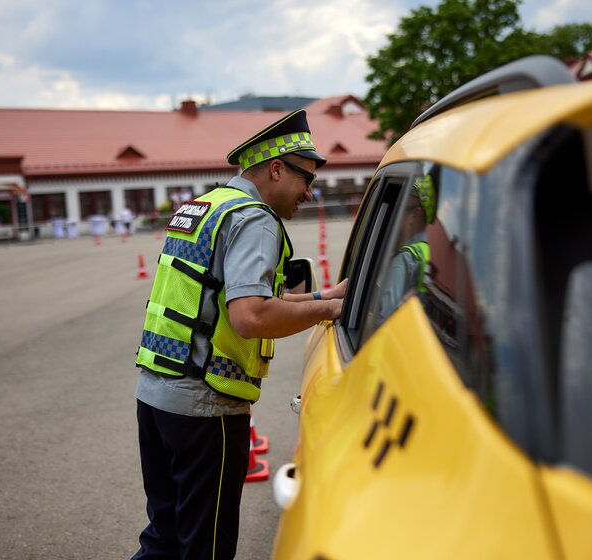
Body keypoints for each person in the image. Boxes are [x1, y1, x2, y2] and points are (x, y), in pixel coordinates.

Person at [131, 109, 347, 560]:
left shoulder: (205, 206)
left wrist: (325, 296)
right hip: (205, 406)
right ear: (276, 168)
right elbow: (250, 316)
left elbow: (225, 299)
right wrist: (329, 309)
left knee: (164, 539)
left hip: (157, 395)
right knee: (206, 549)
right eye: (307, 179)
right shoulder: (256, 219)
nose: (309, 193)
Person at [375, 173, 436, 325]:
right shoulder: (436, 250)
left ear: (415, 214)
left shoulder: (405, 258)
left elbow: (384, 323)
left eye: (398, 210)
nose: (391, 218)